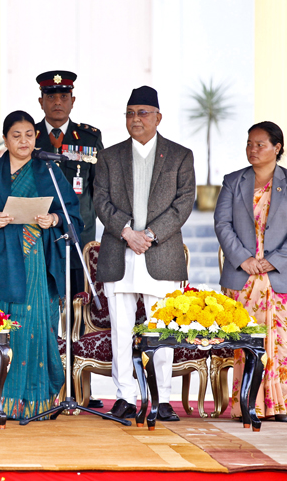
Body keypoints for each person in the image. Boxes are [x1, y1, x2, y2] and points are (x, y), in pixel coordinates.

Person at [0, 110, 82, 420]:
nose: (24, 141)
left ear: (35, 137)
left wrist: (53, 219)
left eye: (29, 135)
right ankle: (0, 401)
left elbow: (73, 216)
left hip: (38, 262)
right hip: (1, 262)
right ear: (5, 139)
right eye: (16, 135)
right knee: (6, 330)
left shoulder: (48, 172)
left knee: (37, 327)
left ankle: (38, 402)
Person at [93, 86, 195, 422]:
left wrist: (148, 235)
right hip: (118, 250)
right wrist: (126, 232)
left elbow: (184, 204)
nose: (135, 119)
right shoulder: (109, 156)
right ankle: (124, 396)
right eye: (130, 113)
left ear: (158, 117)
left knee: (161, 329)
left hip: (160, 251)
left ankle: (162, 399)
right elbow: (100, 201)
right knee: (120, 330)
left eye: (143, 112)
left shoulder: (180, 155)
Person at [214, 121, 287, 422]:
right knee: (246, 343)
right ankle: (247, 403)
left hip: (281, 275)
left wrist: (275, 260)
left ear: (277, 148)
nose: (252, 149)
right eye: (249, 143)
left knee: (282, 342)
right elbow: (222, 224)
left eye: (259, 144)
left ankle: (284, 406)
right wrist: (243, 259)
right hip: (243, 275)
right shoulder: (233, 181)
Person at [34, 69, 105, 409]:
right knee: (45, 311)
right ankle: (46, 384)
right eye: (51, 96)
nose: (58, 101)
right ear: (41, 101)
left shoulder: (89, 137)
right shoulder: (28, 136)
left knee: (79, 315)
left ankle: (82, 389)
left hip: (79, 238)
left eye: (64, 96)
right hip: (39, 240)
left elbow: (99, 190)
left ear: (73, 100)